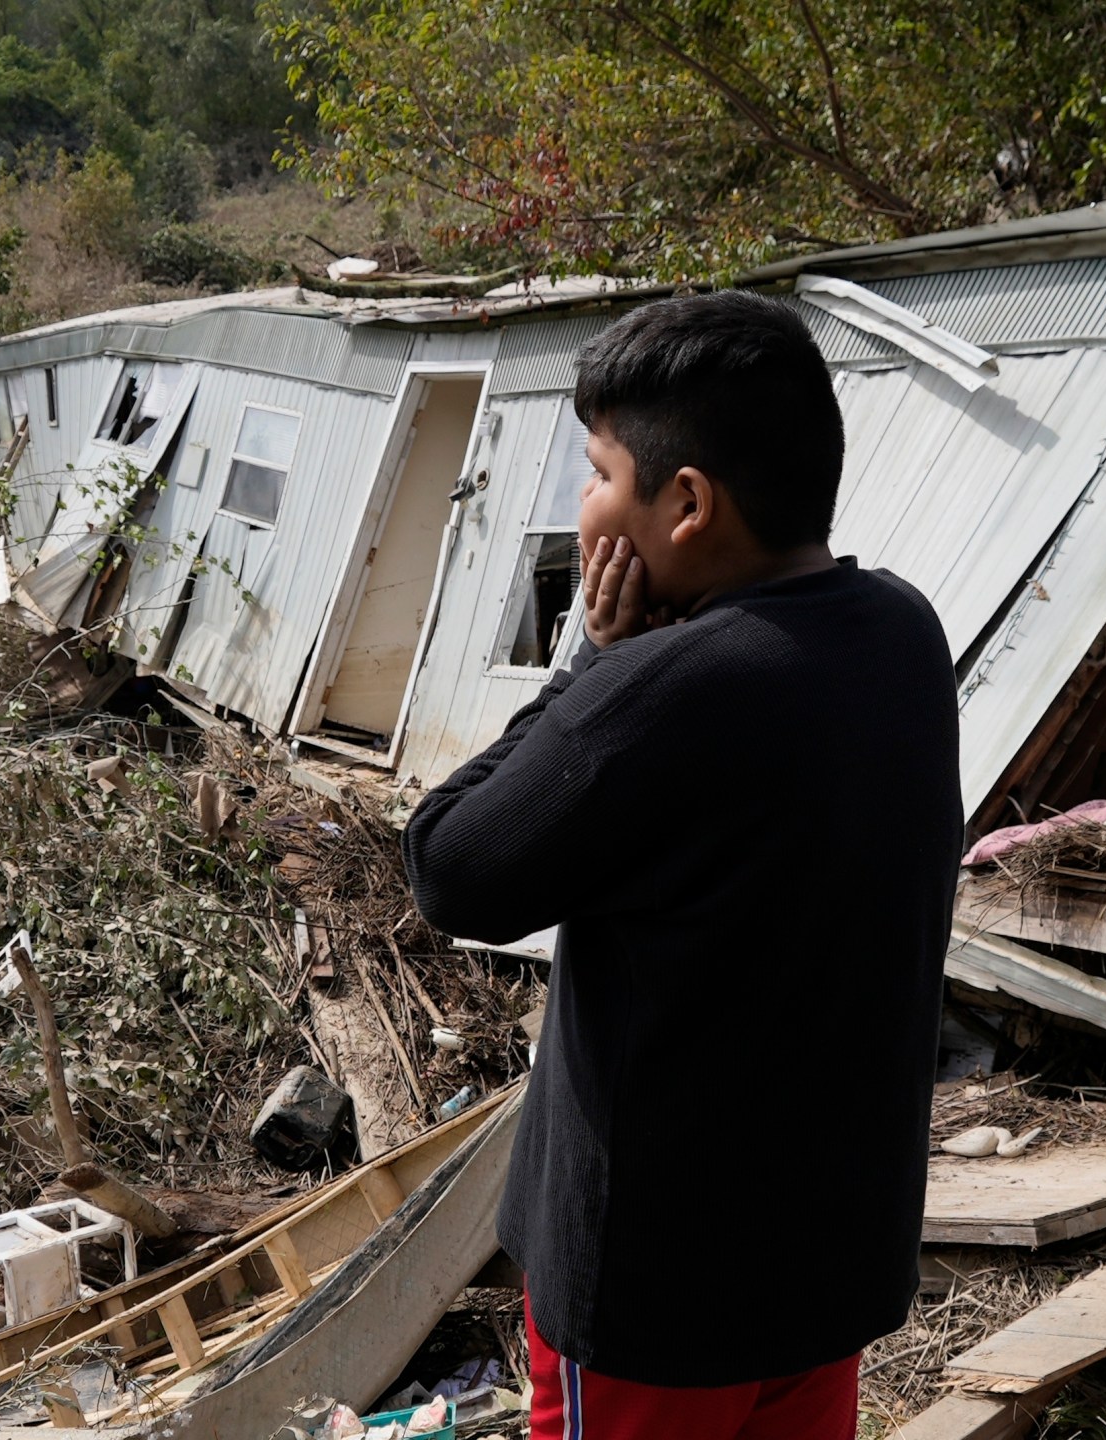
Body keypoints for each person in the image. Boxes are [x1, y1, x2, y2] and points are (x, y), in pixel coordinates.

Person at [402, 290, 962, 1439]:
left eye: (598, 472)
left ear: (688, 505)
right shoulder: (901, 634)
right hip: (822, 1267)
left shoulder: (669, 695)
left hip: (660, 1295)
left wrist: (590, 669)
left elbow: (452, 866)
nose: (583, 501)